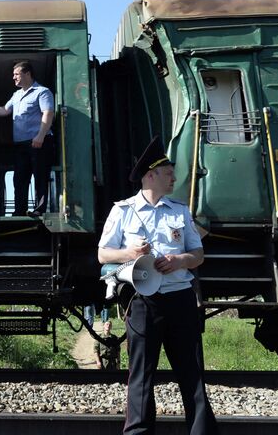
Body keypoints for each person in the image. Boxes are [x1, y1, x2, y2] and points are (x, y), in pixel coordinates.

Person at [97, 135, 219, 435]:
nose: (173, 178)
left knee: (191, 372)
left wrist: (181, 262)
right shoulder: (123, 211)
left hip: (180, 299)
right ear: (150, 176)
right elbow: (103, 254)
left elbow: (198, 254)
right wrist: (131, 253)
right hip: (142, 301)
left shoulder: (179, 210)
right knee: (141, 375)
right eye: (168, 173)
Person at [0, 61, 55, 216]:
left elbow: (48, 113)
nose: (14, 78)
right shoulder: (16, 95)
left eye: (17, 74)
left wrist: (40, 136)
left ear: (27, 74)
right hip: (20, 144)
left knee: (40, 176)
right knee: (19, 179)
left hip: (38, 141)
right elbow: (4, 110)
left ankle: (39, 210)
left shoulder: (42, 92)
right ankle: (19, 210)